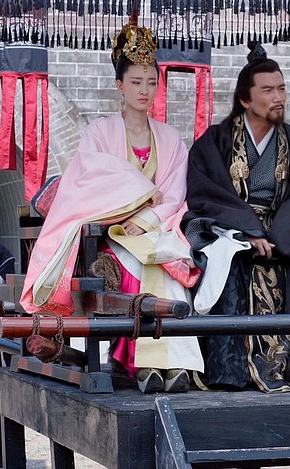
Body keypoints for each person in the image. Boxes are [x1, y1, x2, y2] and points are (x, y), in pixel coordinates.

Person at [19, 24, 202, 393]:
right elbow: (90, 182)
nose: (144, 90)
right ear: (119, 85)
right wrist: (138, 197)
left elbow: (174, 193)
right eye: (135, 82)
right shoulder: (99, 133)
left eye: (151, 82)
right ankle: (141, 364)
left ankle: (174, 364)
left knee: (168, 267)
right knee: (137, 265)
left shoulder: (170, 138)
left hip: (157, 229)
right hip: (110, 233)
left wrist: (148, 216)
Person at [183, 43, 290, 393]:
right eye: (267, 90)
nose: (278, 97)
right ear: (245, 100)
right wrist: (249, 230)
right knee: (228, 257)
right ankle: (231, 371)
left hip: (287, 233)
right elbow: (207, 194)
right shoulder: (215, 142)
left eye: (281, 88)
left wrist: (281, 233)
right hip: (232, 231)